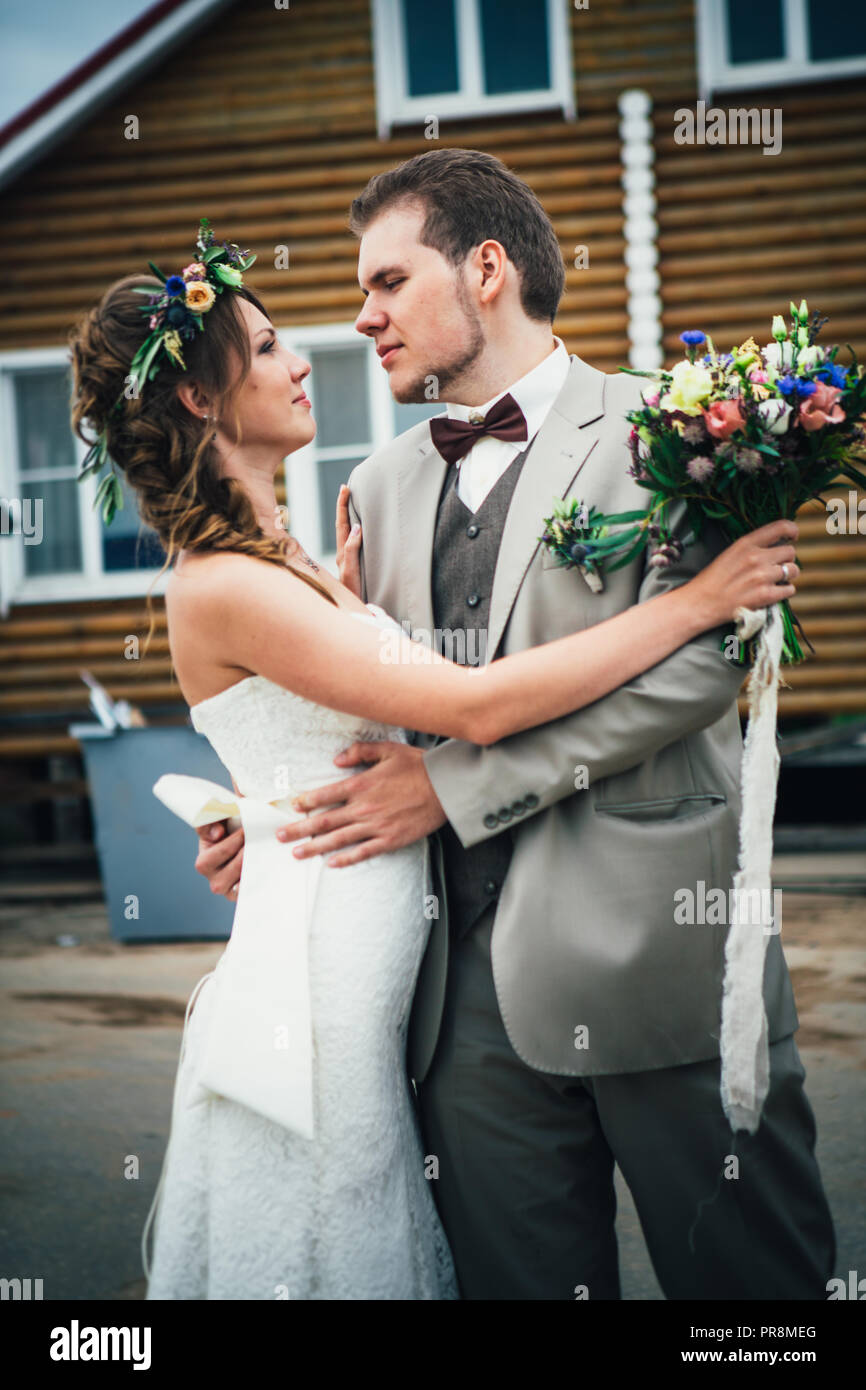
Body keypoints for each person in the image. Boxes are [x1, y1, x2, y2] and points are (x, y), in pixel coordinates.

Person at [69, 216, 800, 1302]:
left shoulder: (663, 435)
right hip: (414, 992)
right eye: (269, 346)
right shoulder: (346, 505)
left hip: (640, 956)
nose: (338, 333)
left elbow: (699, 672)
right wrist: (692, 600)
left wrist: (265, 818)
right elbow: (460, 704)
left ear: (487, 270)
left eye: (386, 281)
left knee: (749, 1294)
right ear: (194, 397)